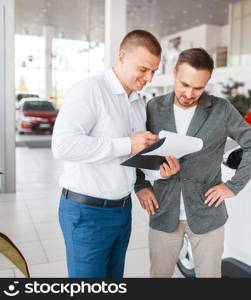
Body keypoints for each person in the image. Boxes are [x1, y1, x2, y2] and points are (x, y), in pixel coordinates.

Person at [52, 30, 180, 278]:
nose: (149, 78)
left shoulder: (138, 102)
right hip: (87, 212)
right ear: (122, 57)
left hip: (122, 210)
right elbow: (63, 145)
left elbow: (132, 159)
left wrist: (160, 170)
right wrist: (126, 144)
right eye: (143, 69)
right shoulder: (90, 90)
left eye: (153, 71)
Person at [135, 48, 251, 278]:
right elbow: (139, 149)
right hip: (163, 210)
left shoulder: (221, 109)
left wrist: (232, 186)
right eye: (184, 84)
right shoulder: (153, 108)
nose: (189, 93)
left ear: (207, 82)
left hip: (207, 215)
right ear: (174, 72)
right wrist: (141, 185)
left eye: (198, 88)